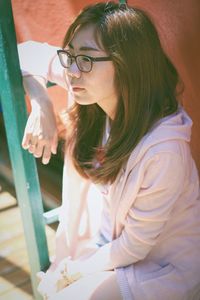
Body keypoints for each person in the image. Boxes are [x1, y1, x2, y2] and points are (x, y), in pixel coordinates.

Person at [18, 2, 200, 299]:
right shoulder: (89, 83)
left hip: (163, 266)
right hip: (110, 249)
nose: (72, 70)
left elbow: (134, 246)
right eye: (70, 56)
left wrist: (70, 275)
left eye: (86, 59)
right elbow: (22, 54)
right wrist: (41, 103)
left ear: (125, 64)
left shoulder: (164, 150)